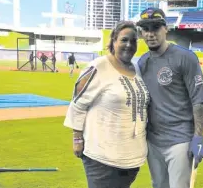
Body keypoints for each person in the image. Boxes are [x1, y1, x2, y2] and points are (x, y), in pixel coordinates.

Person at [63, 21, 150, 188]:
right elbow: (78, 104)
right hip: (102, 157)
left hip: (131, 158)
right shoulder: (98, 67)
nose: (129, 45)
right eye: (124, 40)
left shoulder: (137, 70)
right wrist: (77, 139)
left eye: (133, 41)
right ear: (114, 41)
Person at [136, 8, 203, 188]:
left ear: (165, 29)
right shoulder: (142, 62)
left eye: (155, 28)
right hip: (153, 141)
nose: (150, 34)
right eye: (146, 29)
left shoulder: (185, 58)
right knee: (159, 185)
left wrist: (198, 138)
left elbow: (199, 100)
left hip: (180, 140)